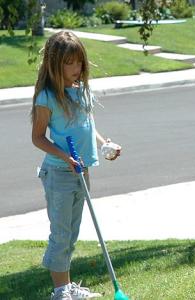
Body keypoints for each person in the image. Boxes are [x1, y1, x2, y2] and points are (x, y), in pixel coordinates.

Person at [31, 31, 121, 300]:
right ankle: (59, 292)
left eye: (79, 62)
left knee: (71, 234)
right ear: (54, 64)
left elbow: (88, 126)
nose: (76, 68)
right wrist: (64, 157)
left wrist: (105, 144)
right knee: (61, 233)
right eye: (69, 63)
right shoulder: (47, 97)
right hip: (59, 173)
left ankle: (67, 287)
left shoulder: (81, 92)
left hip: (82, 172)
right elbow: (37, 137)